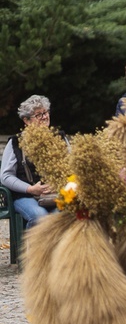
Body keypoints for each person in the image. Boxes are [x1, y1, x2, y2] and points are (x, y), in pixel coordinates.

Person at [1, 95, 64, 228]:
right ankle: (33, 249)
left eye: (45, 112)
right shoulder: (16, 142)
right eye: (38, 115)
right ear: (27, 120)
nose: (44, 117)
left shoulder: (59, 138)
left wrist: (57, 184)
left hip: (55, 193)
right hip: (25, 196)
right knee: (39, 217)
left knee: (61, 216)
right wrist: (30, 189)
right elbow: (5, 176)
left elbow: (71, 168)